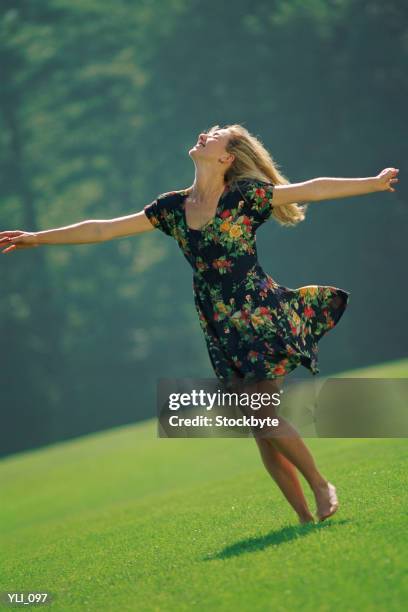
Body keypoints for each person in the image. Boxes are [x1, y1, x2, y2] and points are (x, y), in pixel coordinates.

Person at [0, 123, 399, 524]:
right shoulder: (172, 208)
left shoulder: (245, 197)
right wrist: (38, 237)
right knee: (258, 425)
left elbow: (313, 188)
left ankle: (320, 484)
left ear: (227, 158)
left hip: (259, 314)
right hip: (219, 327)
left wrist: (374, 182)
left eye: (217, 135)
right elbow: (103, 229)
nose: (205, 135)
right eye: (208, 131)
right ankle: (304, 520)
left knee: (261, 415)